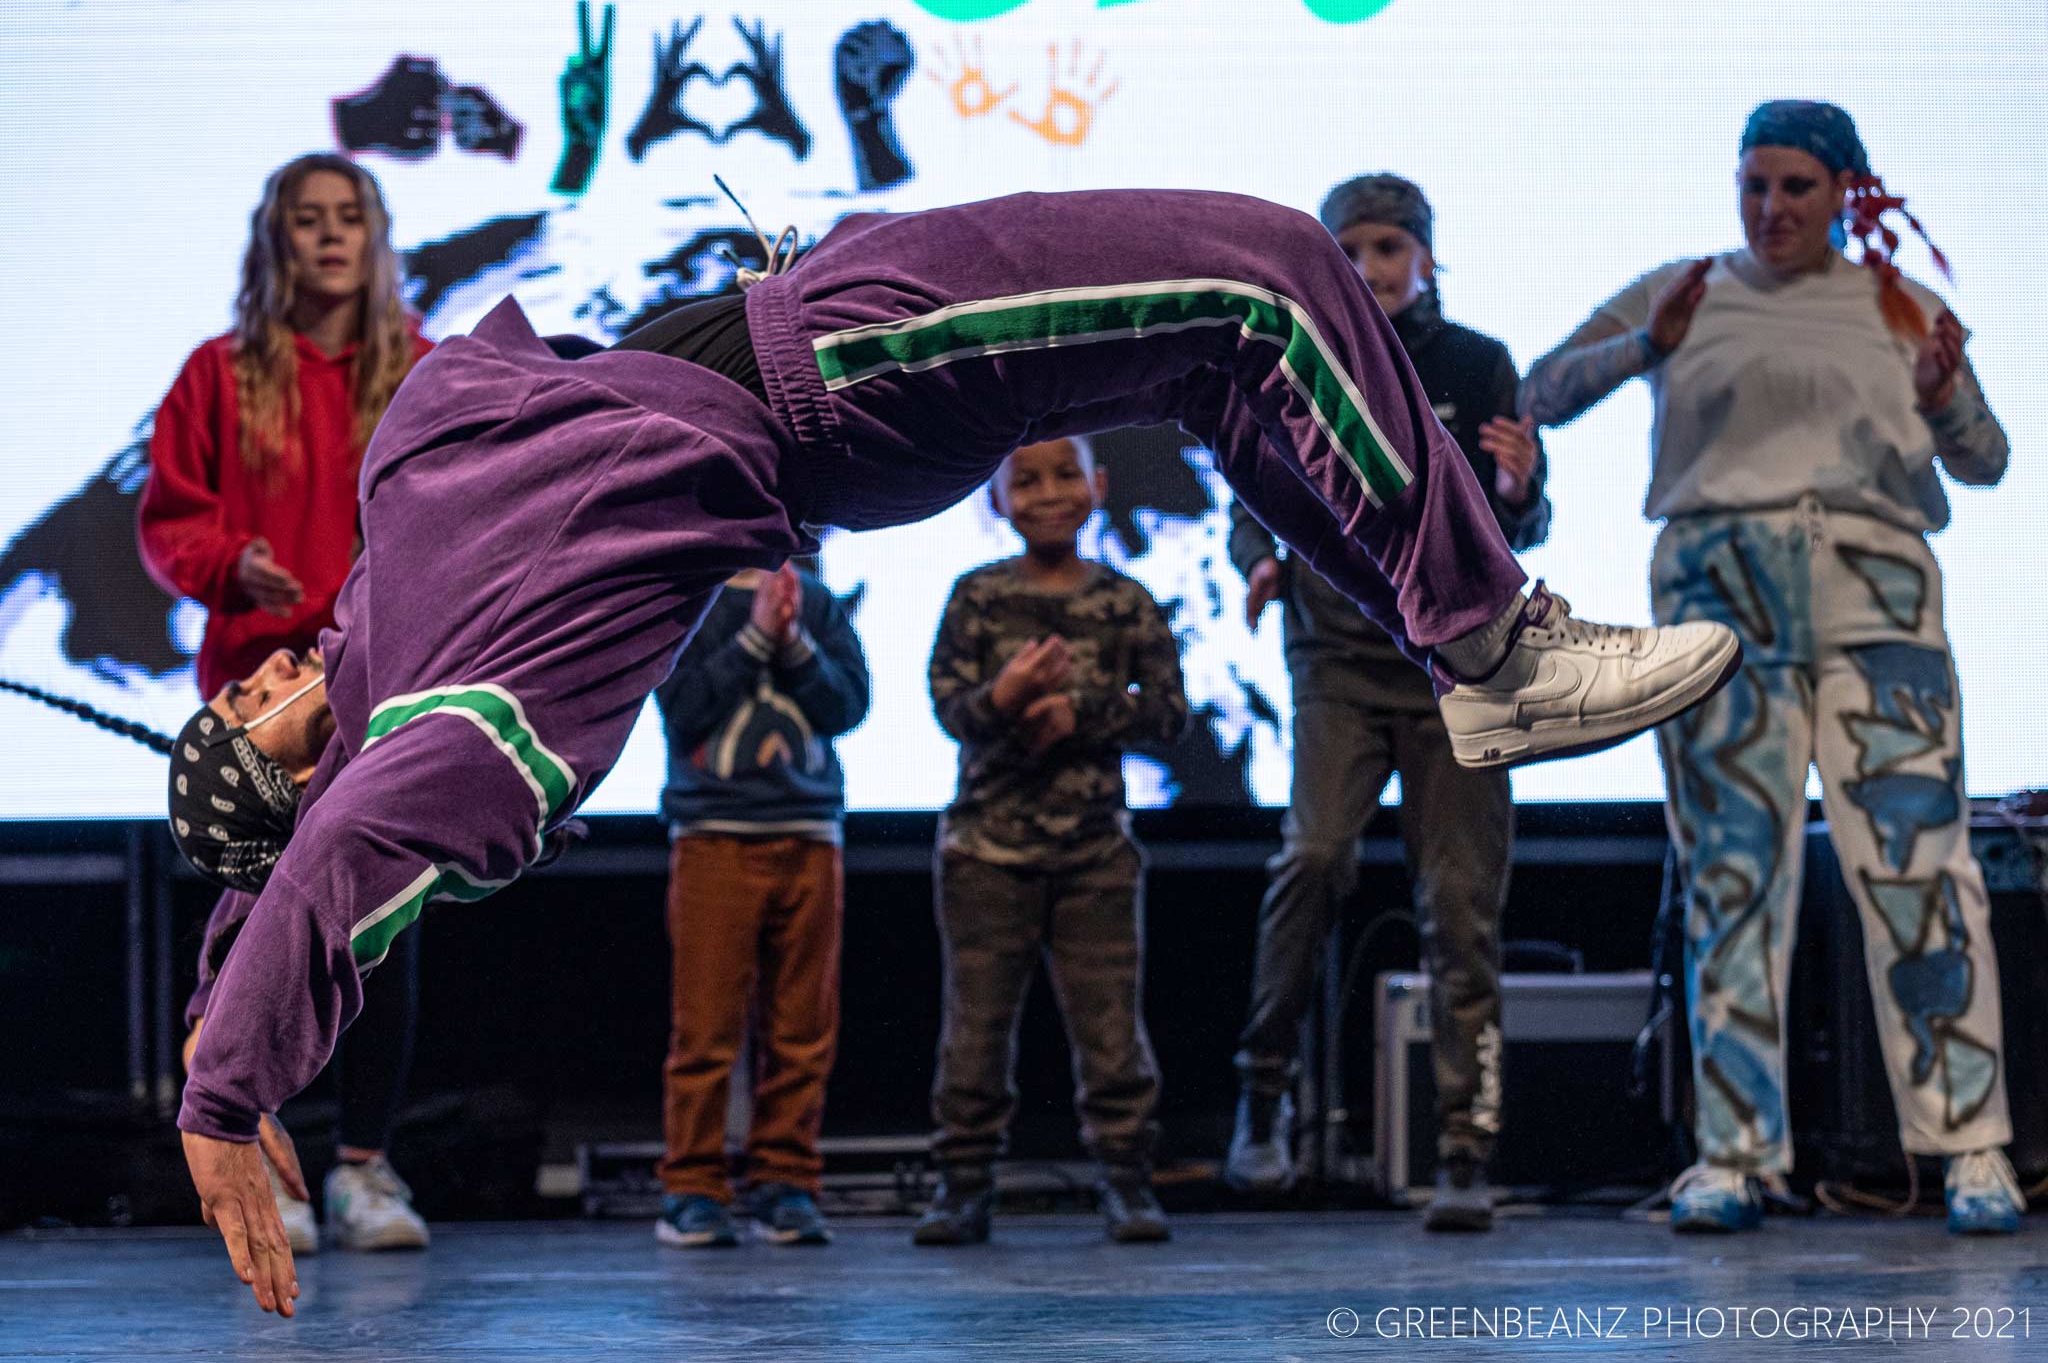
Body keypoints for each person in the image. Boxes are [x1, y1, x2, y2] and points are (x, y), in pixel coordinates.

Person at [149, 186, 1741, 1315]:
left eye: (235, 692)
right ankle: (1493, 641)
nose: (260, 679)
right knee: (1267, 268)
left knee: (1216, 356)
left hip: (827, 302)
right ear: (300, 774)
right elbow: (351, 858)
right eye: (250, 718)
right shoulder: (452, 710)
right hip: (836, 371)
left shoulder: (384, 549)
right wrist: (230, 1083)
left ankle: (1452, 627)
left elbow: (271, 870)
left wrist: (226, 971)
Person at [1520, 101, 2021, 1235]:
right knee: (1730, 876)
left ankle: (1969, 1144)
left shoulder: (1899, 305)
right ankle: (1733, 1153)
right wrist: (1645, 345)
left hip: (1875, 598)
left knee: (1919, 870)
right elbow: (1539, 394)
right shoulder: (1683, 289)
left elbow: (1985, 460)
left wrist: (1942, 396)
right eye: (1753, 183)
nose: (1769, 208)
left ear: (1844, 188)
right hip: (1717, 597)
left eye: (1794, 186)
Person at [1226, 175, 1550, 1231]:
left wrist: (1518, 491)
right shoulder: (1293, 359)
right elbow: (1251, 479)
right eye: (1348, 250)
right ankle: (1258, 1096)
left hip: (1455, 662)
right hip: (1333, 655)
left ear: (1423, 256)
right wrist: (1256, 556)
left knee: (1458, 902)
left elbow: (1522, 518)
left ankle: (1465, 1144)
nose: (1367, 270)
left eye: (1385, 249)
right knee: (1312, 855)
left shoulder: (1474, 362)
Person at [138, 152, 434, 1254]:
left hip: (381, 684)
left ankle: (362, 1165)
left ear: (374, 233)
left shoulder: (423, 366)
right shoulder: (218, 373)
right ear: (277, 238)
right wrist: (229, 561)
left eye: (346, 217)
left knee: (379, 929)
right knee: (255, 927)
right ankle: (266, 1154)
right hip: (264, 700)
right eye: (306, 219)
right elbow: (169, 520)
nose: (327, 236)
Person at [914, 437, 1185, 1246]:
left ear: (1100, 486)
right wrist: (1003, 696)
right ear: (995, 499)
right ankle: (962, 1185)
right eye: (1023, 479)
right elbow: (946, 707)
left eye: (1065, 474)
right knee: (975, 1032)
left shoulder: (1129, 600)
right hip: (986, 854)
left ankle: (1129, 1181)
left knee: (1111, 1032)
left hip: (1095, 853)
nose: (1047, 492)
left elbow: (1168, 712)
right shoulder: (976, 597)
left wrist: (1085, 711)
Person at [650, 560, 871, 1249]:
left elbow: (848, 707)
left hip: (809, 835)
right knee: (707, 1028)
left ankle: (786, 1179)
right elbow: (682, 708)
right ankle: (693, 1184)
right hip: (715, 836)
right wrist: (754, 638)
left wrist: (795, 640)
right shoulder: (694, 601)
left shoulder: (823, 604)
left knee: (803, 1028)